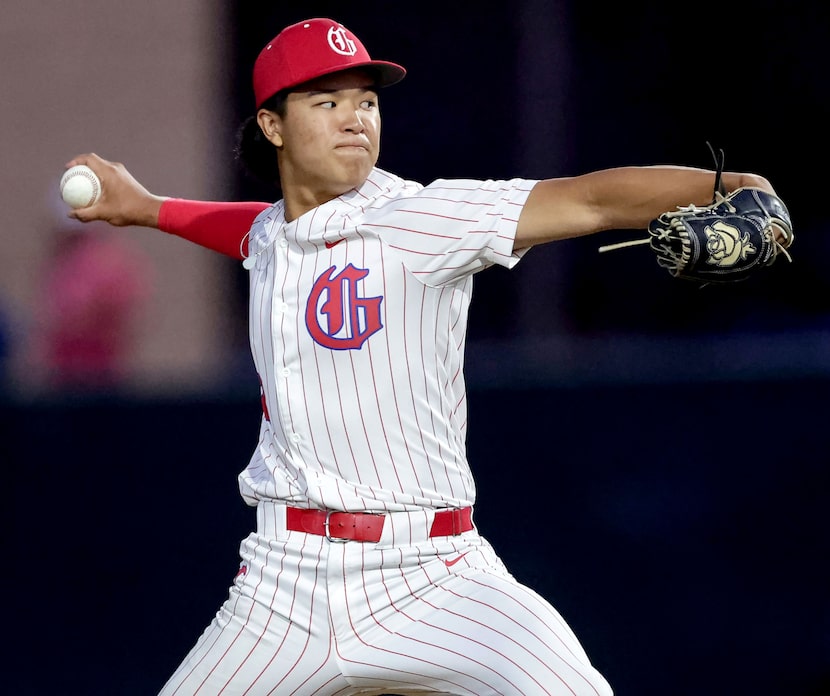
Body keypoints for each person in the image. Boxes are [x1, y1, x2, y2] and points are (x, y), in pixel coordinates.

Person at [67, 17, 784, 696]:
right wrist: (148, 208)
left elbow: (590, 199)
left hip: (433, 573)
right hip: (280, 586)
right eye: (328, 101)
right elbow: (256, 230)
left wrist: (731, 187)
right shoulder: (273, 237)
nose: (357, 118)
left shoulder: (421, 218)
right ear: (272, 125)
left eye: (367, 101)